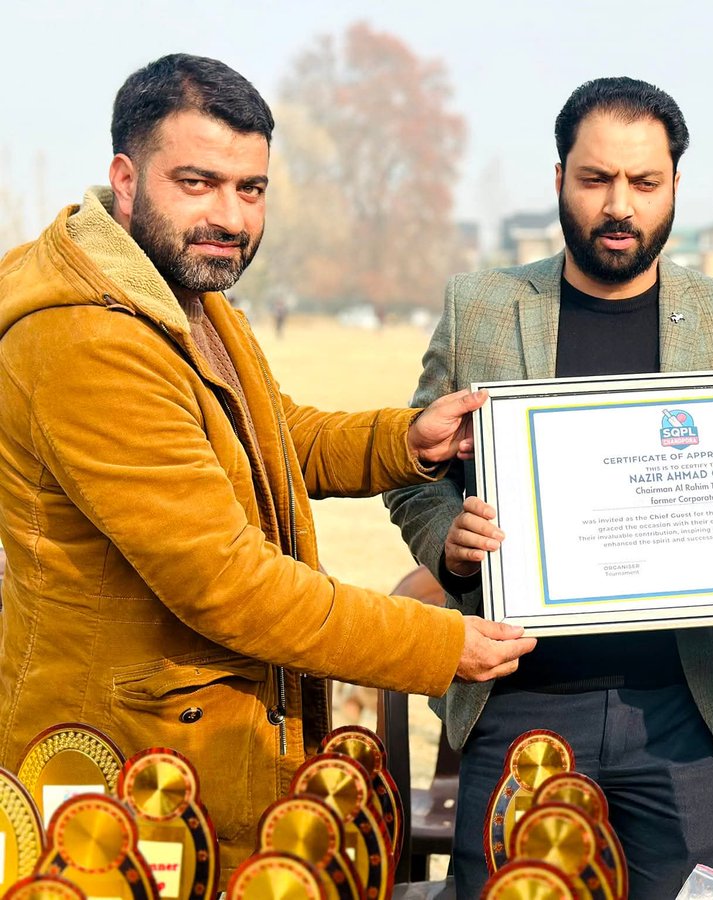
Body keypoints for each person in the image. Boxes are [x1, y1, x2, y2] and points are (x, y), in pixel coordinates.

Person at [0, 54, 535, 882]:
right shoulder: (86, 336)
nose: (230, 216)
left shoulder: (179, 292)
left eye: (250, 190)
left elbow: (271, 434)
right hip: (125, 783)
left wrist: (410, 440)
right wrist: (440, 642)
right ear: (126, 178)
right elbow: (228, 583)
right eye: (199, 182)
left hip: (193, 757)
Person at [385, 77, 713, 897]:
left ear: (675, 186)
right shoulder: (482, 307)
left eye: (644, 182)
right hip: (517, 698)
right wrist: (448, 545)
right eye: (596, 179)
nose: (619, 206)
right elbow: (412, 471)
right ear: (558, 179)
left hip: (684, 704)